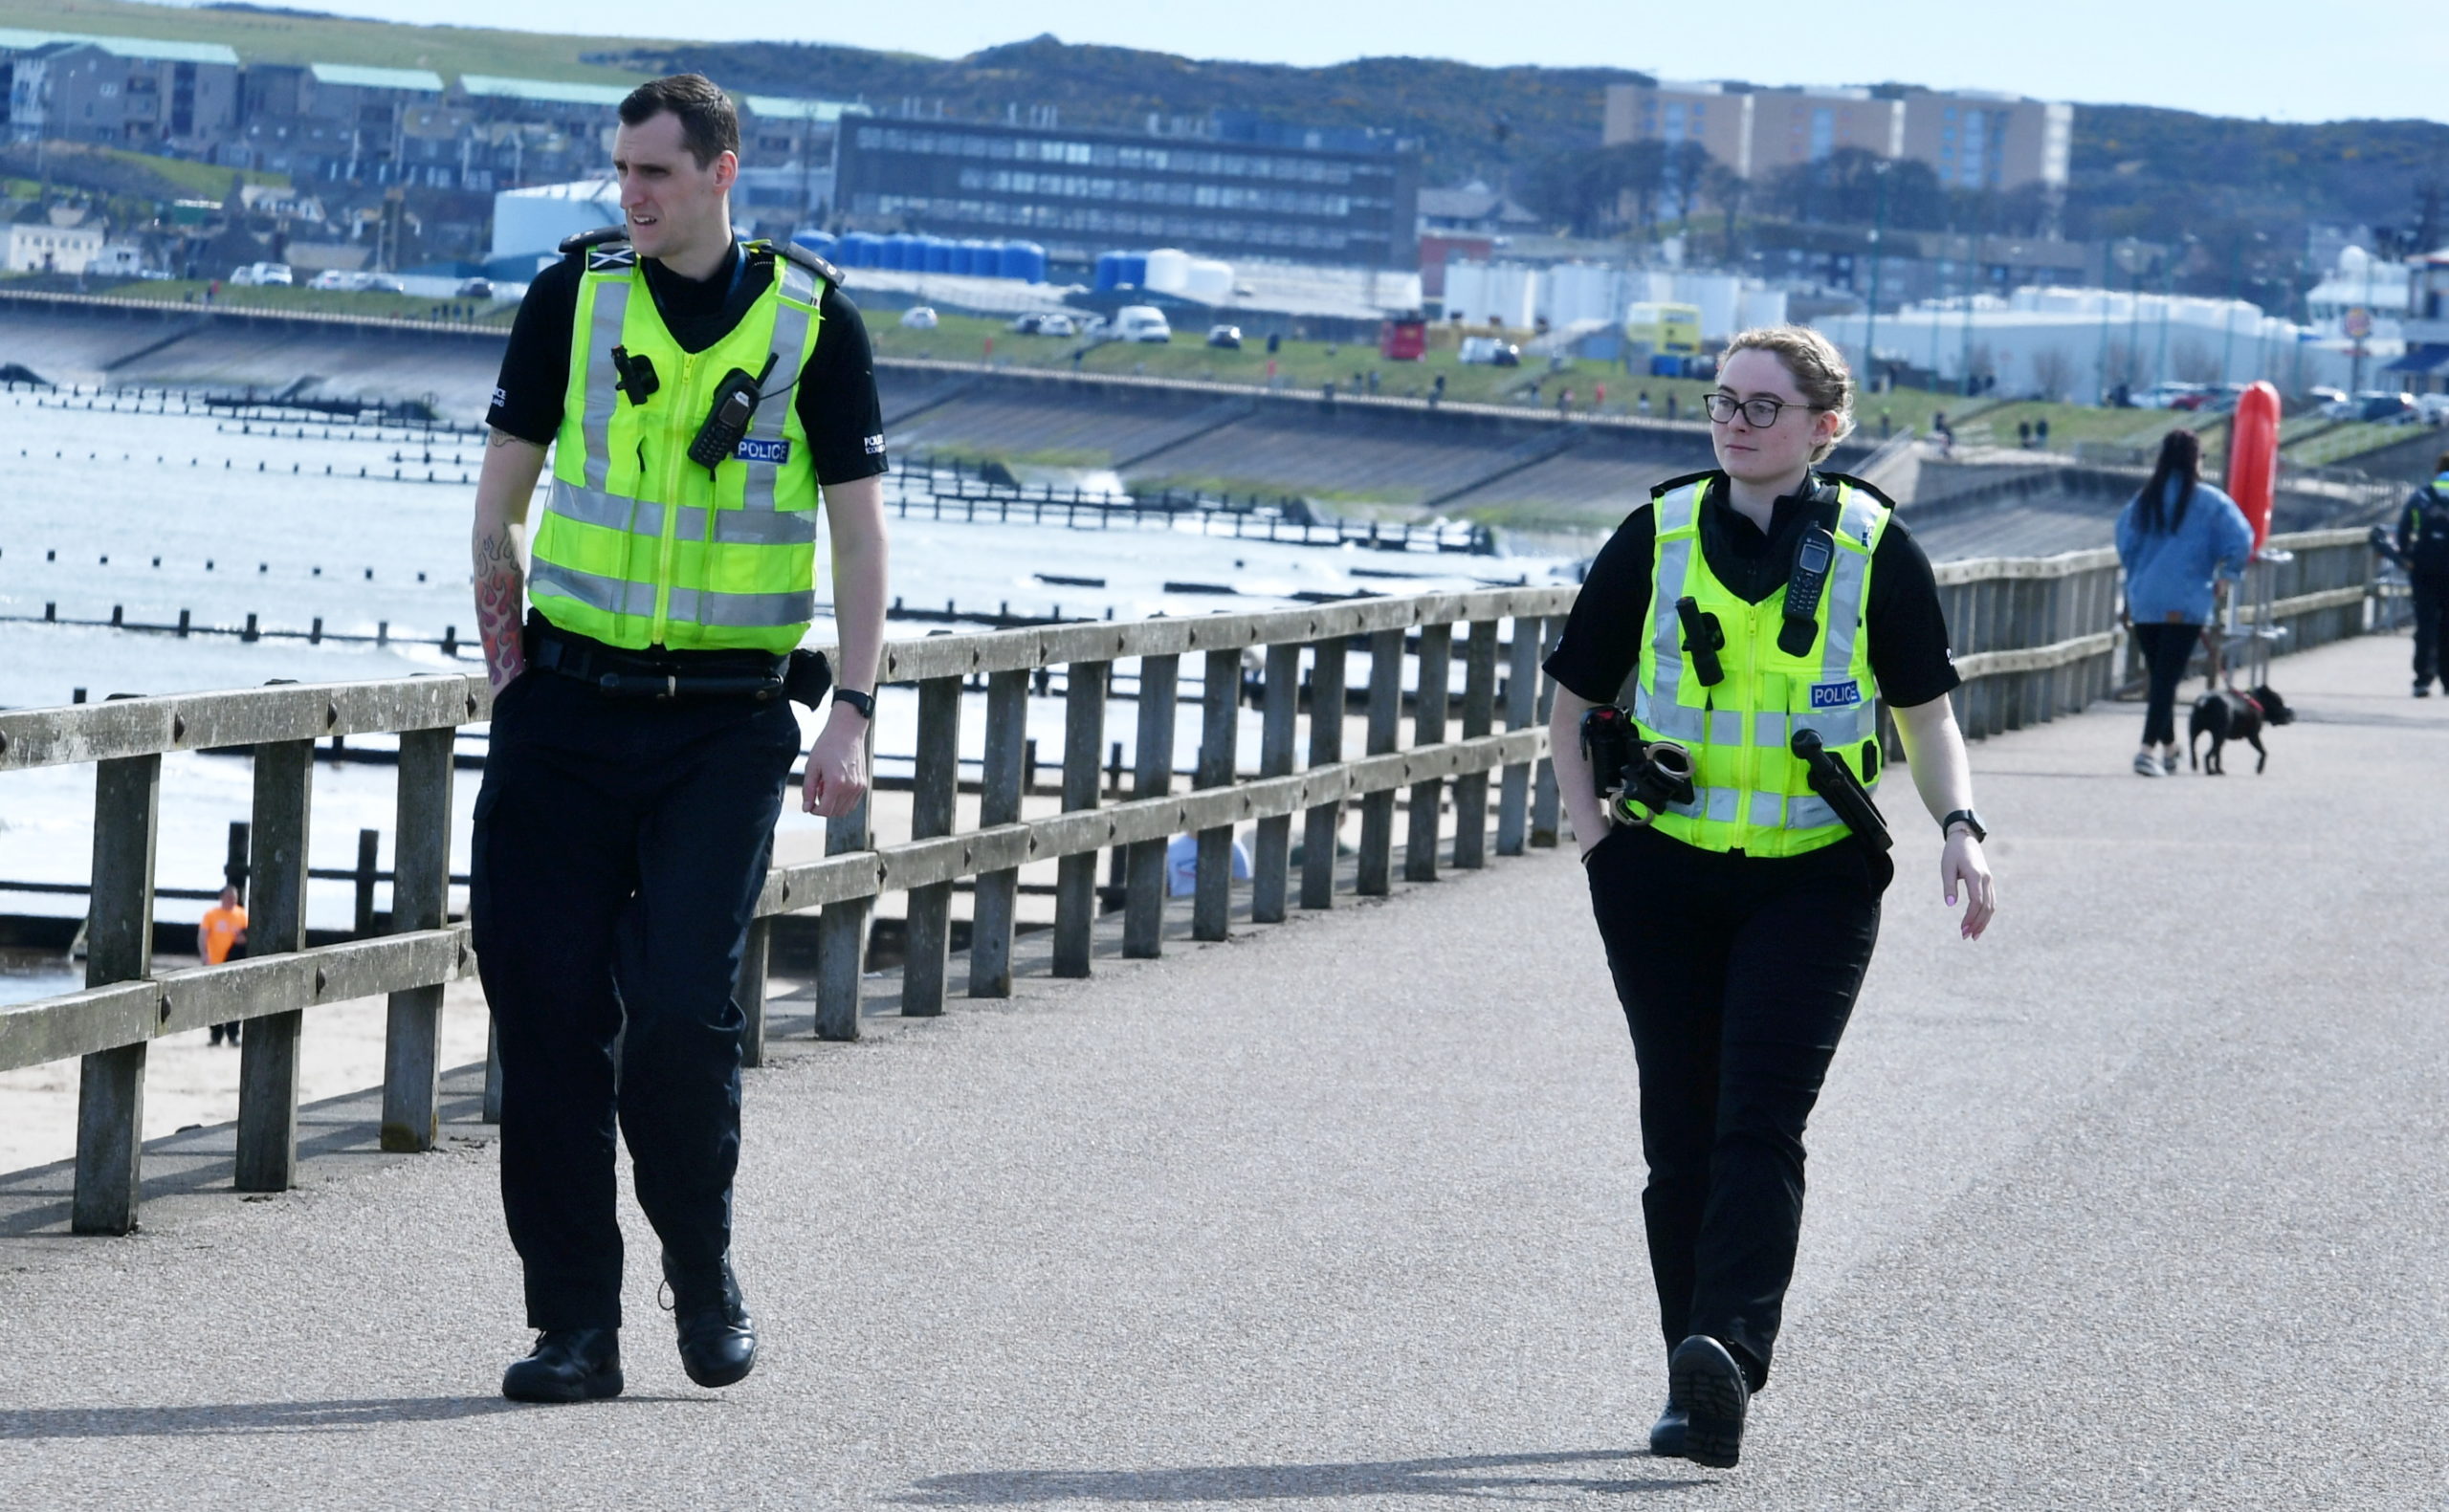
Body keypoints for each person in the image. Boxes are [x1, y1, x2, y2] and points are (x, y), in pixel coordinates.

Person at [468, 74, 891, 1405]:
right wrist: (509, 666)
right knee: (541, 1018)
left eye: (653, 171)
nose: (629, 193)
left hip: (722, 726)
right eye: (619, 170)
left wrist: (854, 714)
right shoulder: (569, 299)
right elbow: (499, 502)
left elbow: (862, 533)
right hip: (567, 713)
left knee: (679, 1017)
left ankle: (700, 1271)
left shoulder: (812, 323)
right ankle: (574, 1327)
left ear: (721, 171)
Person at [1545, 324, 1996, 1470]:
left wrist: (1959, 826)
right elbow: (1569, 698)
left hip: (1813, 877)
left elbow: (1925, 711)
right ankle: (1690, 1378)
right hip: (1660, 875)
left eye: (1760, 408)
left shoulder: (1870, 546)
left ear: (1822, 429)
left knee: (1758, 1120)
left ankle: (1727, 1348)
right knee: (1677, 1133)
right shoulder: (1656, 533)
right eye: (1721, 403)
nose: (1733, 425)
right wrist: (1597, 841)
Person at [2114, 429, 2253, 774]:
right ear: (2196, 461)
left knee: (2159, 677)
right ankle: (2147, 751)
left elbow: (2125, 547)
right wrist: (2227, 575)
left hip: (2144, 598)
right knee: (2166, 679)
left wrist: (2133, 589)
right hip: (2185, 602)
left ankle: (2171, 748)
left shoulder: (2143, 501)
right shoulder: (2209, 502)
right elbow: (2242, 540)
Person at [2395, 451, 2449, 696]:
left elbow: (2403, 529)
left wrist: (2407, 555)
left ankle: (2422, 679)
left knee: (2426, 623)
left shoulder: (2423, 495)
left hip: (2424, 567)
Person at [198, 885, 248, 1046]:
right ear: (222, 897)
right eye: (228, 897)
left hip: (234, 963)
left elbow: (249, 935)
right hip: (215, 963)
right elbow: (202, 936)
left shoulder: (242, 915)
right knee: (214, 1002)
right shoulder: (211, 915)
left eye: (234, 897)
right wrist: (204, 955)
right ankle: (215, 1035)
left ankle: (233, 1035)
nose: (231, 900)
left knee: (235, 1001)